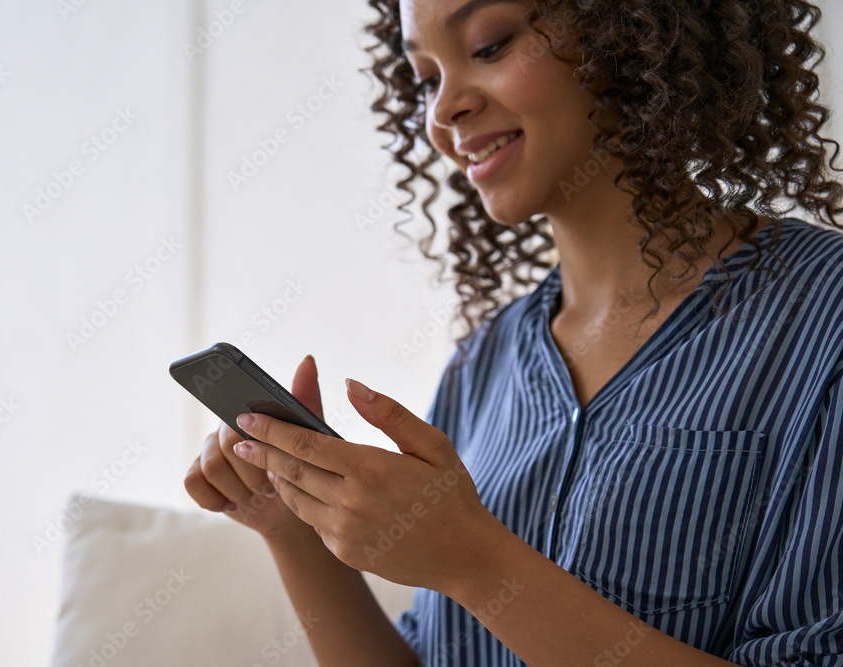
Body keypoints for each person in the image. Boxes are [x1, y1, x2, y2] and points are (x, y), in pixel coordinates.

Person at [184, 0, 843, 664]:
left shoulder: (824, 316)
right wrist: (293, 530)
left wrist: (474, 560)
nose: (443, 112)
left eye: (490, 45)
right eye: (425, 78)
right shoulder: (484, 364)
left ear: (632, 29)